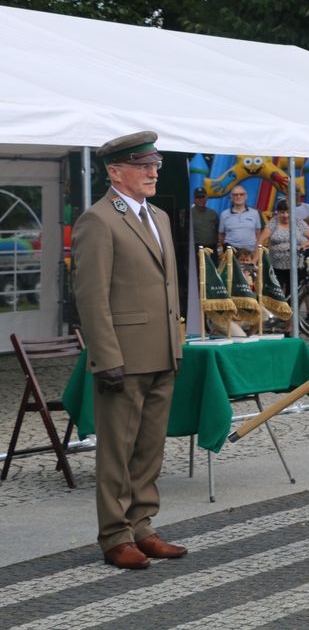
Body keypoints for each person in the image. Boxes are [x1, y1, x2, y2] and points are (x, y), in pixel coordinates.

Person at [71, 131, 186, 570]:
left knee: (149, 448)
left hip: (160, 350)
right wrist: (106, 357)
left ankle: (142, 525)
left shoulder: (157, 215)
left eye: (155, 165)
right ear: (115, 172)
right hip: (123, 354)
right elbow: (91, 297)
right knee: (117, 451)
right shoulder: (98, 220)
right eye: (144, 166)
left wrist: (176, 345)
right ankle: (115, 535)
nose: (154, 172)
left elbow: (167, 287)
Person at [257, 198, 309, 303]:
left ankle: (290, 318)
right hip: (277, 265)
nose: (285, 215)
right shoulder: (273, 222)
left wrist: (304, 245)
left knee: (292, 296)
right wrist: (254, 260)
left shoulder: (298, 222)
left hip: (295, 265)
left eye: (288, 212)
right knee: (276, 295)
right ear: (278, 212)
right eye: (282, 212)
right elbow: (261, 240)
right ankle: (275, 317)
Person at [217, 185, 262, 261]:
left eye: (241, 194)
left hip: (249, 253)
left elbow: (258, 235)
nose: (238, 197)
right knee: (231, 273)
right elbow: (221, 236)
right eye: (235, 195)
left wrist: (256, 254)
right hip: (230, 253)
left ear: (246, 197)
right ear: (231, 198)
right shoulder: (224, 214)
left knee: (248, 273)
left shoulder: (255, 213)